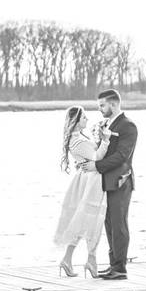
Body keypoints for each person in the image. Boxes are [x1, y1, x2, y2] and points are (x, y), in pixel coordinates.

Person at [78, 89, 138, 280]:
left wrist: (96, 165)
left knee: (119, 224)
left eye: (102, 105)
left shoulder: (128, 126)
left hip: (120, 181)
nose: (100, 109)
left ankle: (120, 268)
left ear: (113, 104)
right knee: (109, 223)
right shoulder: (106, 124)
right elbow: (101, 149)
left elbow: (122, 157)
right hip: (104, 181)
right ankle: (113, 264)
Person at [53, 105, 115, 278]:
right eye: (84, 118)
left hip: (88, 178)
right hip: (92, 181)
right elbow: (98, 158)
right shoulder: (77, 141)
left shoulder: (79, 137)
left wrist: (99, 136)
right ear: (76, 121)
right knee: (93, 219)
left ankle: (76, 259)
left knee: (87, 220)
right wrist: (106, 140)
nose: (87, 120)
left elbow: (91, 155)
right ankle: (88, 260)